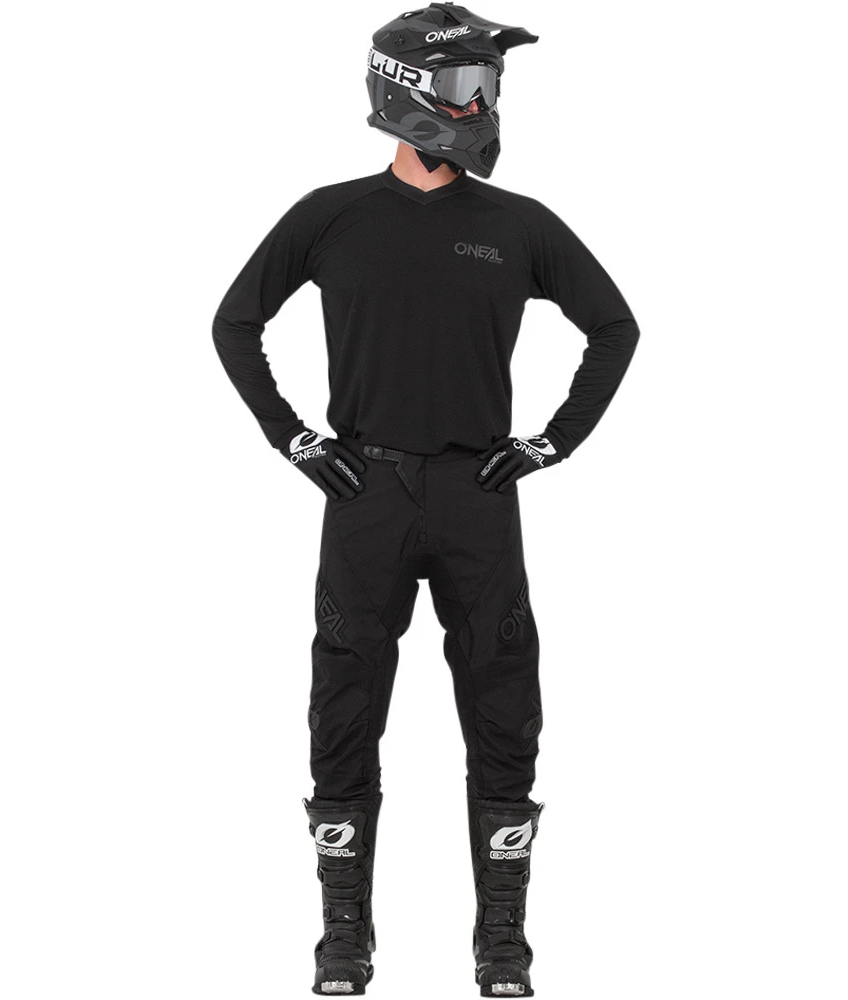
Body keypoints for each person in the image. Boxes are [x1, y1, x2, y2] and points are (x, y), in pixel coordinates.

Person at [212, 4, 640, 996]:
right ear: (403, 91)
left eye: (489, 85)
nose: (480, 102)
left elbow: (613, 327)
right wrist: (292, 437)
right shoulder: (330, 216)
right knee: (343, 703)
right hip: (362, 490)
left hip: (477, 493)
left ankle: (502, 940)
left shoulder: (517, 225)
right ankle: (343, 936)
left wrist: (552, 440)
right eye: (462, 85)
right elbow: (234, 322)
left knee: (504, 703)